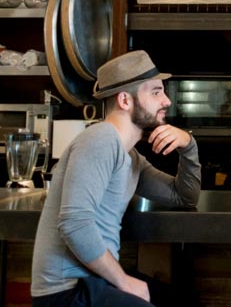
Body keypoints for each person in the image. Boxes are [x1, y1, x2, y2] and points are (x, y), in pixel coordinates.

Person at [30, 50, 201, 307]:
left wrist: (188, 146)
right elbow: (74, 223)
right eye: (156, 92)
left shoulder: (130, 157)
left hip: (94, 282)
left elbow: (183, 197)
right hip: (68, 292)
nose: (166, 101)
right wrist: (124, 281)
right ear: (124, 100)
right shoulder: (100, 139)